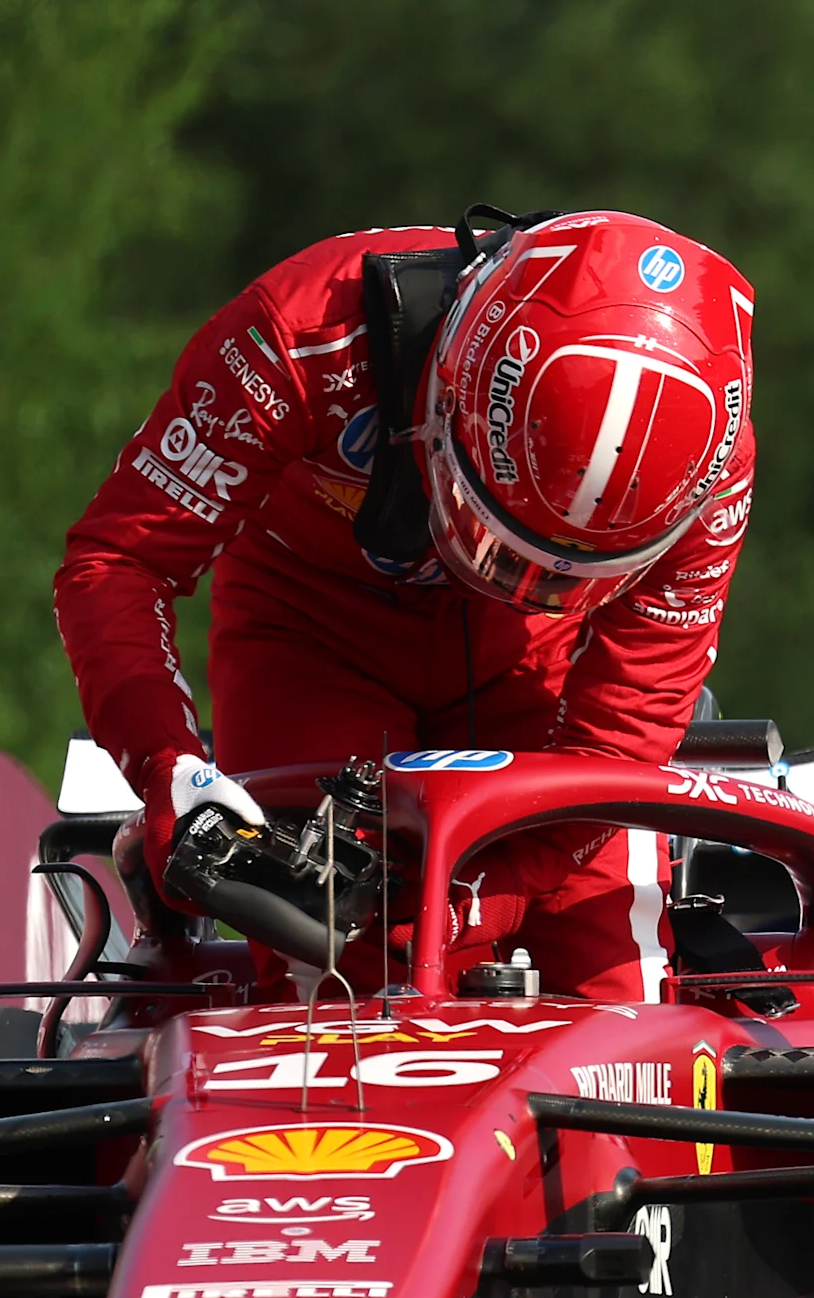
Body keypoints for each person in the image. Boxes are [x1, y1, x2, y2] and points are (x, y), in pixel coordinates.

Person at [55, 210, 756, 997]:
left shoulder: (712, 474)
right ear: (445, 395)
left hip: (538, 658)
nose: (518, 581)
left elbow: (620, 737)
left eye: (565, 569)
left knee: (621, 982)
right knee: (327, 972)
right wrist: (166, 767)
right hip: (313, 631)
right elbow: (121, 559)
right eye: (504, 545)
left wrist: (484, 901)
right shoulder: (299, 335)